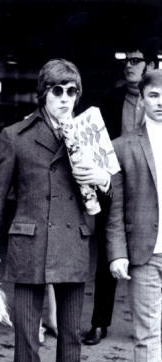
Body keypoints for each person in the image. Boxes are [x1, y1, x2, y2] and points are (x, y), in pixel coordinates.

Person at [0, 59, 111, 362]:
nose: (65, 99)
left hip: (73, 240)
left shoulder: (89, 132)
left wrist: (100, 178)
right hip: (30, 241)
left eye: (72, 92)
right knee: (28, 334)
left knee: (70, 332)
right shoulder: (15, 136)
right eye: (58, 91)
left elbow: (110, 188)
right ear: (43, 93)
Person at [83, 47, 157, 345]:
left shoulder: (158, 98)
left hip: (151, 187)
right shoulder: (111, 100)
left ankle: (153, 326)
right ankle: (100, 323)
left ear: (151, 64)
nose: (129, 66)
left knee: (153, 257)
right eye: (125, 61)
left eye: (136, 61)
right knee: (107, 255)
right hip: (115, 183)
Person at [106, 69, 162, 362]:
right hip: (144, 252)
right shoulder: (124, 145)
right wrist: (116, 252)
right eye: (155, 95)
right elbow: (115, 208)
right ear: (141, 99)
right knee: (146, 332)